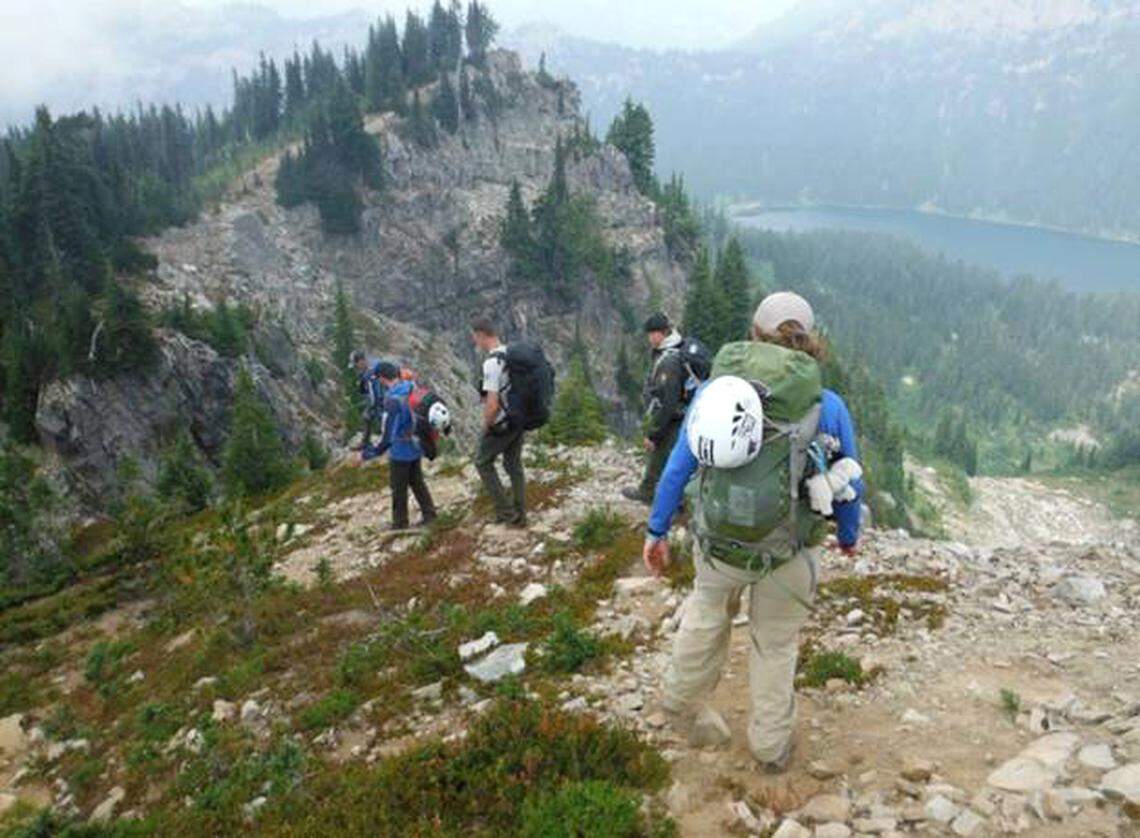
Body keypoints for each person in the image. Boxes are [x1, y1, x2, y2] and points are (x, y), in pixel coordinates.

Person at [642, 291, 863, 772]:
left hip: (718, 544)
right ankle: (769, 748)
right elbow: (851, 480)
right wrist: (847, 537)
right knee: (775, 646)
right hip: (788, 553)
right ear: (810, 344)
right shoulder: (826, 405)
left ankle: (680, 705)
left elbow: (680, 464)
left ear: (754, 336)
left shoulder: (715, 393)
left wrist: (656, 529)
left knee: (704, 614)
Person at [352, 362, 437, 530]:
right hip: (415, 444)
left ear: (382, 379)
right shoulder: (410, 386)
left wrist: (365, 455)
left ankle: (400, 523)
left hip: (400, 450)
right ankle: (430, 514)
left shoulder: (392, 400)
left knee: (398, 488)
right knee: (417, 482)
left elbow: (386, 439)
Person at [622, 313, 689, 504]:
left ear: (661, 333)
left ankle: (654, 494)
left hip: (674, 417)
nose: (649, 338)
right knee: (666, 456)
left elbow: (668, 401)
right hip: (679, 415)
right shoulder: (675, 348)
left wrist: (653, 433)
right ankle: (661, 494)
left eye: (651, 333)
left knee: (662, 453)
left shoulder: (669, 361)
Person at [471, 318, 527, 527]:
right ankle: (520, 514)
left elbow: (492, 403)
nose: (475, 342)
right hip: (519, 417)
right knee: (513, 464)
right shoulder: (510, 353)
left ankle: (505, 513)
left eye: (475, 337)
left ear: (481, 335)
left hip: (503, 422)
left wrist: (487, 425)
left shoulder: (492, 363)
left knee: (482, 462)